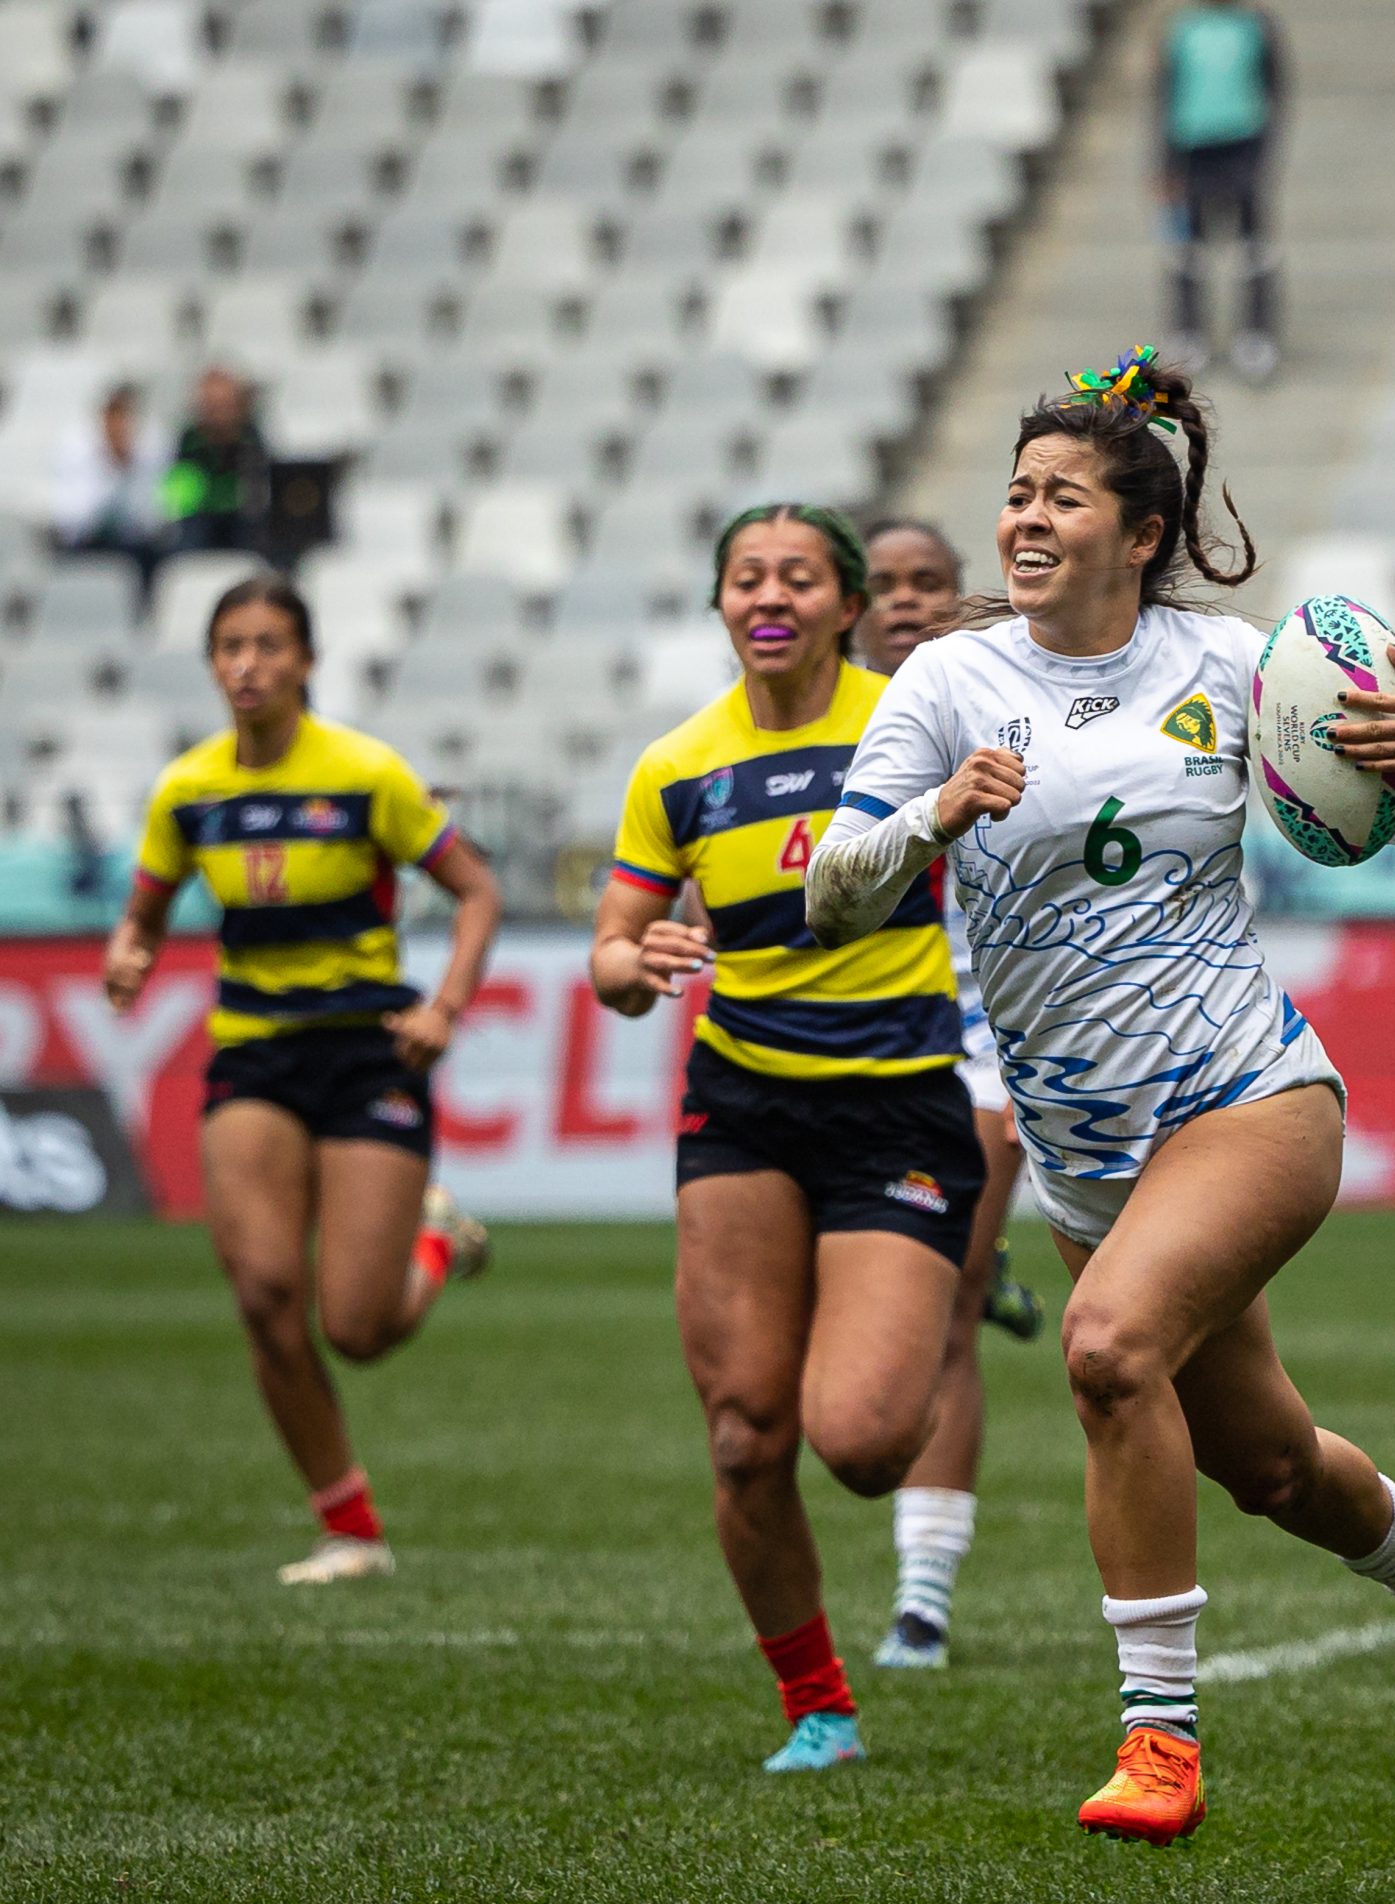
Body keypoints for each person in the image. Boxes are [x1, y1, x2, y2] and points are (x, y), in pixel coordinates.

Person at [807, 346, 1395, 1845]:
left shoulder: (1234, 667)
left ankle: (1160, 1744)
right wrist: (933, 815)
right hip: (1087, 1155)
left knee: (1108, 1348)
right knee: (1263, 1465)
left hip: (1250, 1095)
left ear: (1141, 534)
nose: (1024, 519)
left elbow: (1383, 809)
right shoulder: (945, 681)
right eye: (1016, 492)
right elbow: (831, 893)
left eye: (1061, 495)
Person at [589, 505, 984, 1773]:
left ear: (845, 600)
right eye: (747, 576)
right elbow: (611, 944)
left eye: (799, 576)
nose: (771, 594)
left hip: (901, 1097)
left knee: (862, 1444)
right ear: (719, 603)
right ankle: (817, 1702)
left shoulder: (909, 714)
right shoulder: (675, 768)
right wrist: (631, 959)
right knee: (744, 1433)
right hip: (745, 1105)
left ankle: (905, 1311)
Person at [100, 574, 501, 1585]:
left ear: (307, 662)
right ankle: (350, 1528)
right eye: (231, 645)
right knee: (265, 1293)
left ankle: (437, 1244)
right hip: (255, 1054)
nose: (248, 663)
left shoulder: (366, 774)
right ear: (211, 664)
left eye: (269, 644)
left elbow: (476, 889)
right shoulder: (188, 789)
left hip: (370, 1050)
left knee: (355, 1326)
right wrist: (129, 951)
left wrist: (443, 1006)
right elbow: (144, 911)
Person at [853, 515, 1045, 1675]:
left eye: (930, 580)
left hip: (976, 1035)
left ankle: (921, 1594)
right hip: (844, 1039)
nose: (909, 600)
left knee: (945, 1299)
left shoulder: (993, 698)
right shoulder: (820, 730)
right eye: (886, 583)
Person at [1157, 2, 1286, 383]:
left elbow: (1275, 92)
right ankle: (1188, 333)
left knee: (1255, 249)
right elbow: (1166, 98)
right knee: (1185, 249)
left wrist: (1265, 155)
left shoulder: (1256, 27)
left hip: (1243, 147)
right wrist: (1164, 165)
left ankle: (1257, 333)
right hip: (1191, 151)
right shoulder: (1181, 29)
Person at [51, 380, 172, 584]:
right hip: (86, 546)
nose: (119, 427)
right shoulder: (73, 447)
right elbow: (71, 521)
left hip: (136, 549)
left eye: (126, 417)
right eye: (113, 417)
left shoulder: (154, 446)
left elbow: (156, 519)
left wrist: (129, 465)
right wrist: (111, 469)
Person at [163, 365, 271, 558]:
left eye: (224, 405)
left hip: (243, 519)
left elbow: (257, 488)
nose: (218, 414)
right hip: (200, 518)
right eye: (212, 407)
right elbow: (182, 496)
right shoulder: (190, 439)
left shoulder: (251, 437)